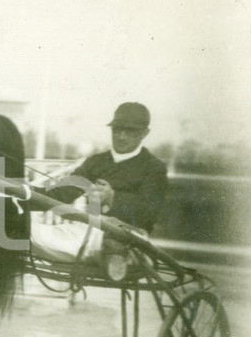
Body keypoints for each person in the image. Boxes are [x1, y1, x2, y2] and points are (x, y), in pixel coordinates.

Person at [31, 102, 168, 280]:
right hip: (87, 233)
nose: (122, 137)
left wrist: (113, 198)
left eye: (130, 131)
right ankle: (109, 254)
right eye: (117, 130)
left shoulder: (153, 167)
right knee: (24, 229)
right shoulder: (95, 162)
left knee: (110, 239)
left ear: (144, 133)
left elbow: (149, 213)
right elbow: (60, 194)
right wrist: (21, 192)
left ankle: (115, 253)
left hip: (130, 238)